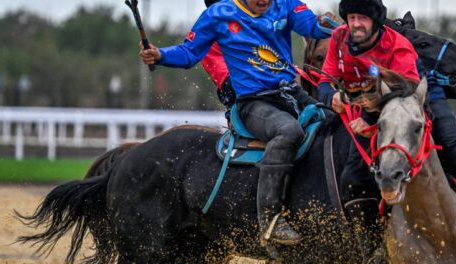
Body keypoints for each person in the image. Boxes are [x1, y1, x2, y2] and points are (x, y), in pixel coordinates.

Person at [317, 0, 456, 264]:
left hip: (419, 101)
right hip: (371, 110)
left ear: (375, 20)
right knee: (353, 178)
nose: (356, 23)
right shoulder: (338, 39)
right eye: (351, 17)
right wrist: (328, 96)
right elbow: (325, 79)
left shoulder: (397, 45)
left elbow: (405, 95)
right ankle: (374, 255)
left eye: (362, 18)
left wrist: (370, 122)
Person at [140, 0, 333, 247]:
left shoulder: (286, 4)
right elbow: (189, 53)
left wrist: (345, 26)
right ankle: (271, 221)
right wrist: (160, 55)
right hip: (254, 104)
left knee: (336, 123)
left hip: (292, 95)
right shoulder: (218, 15)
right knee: (288, 131)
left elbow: (313, 28)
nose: (264, 1)